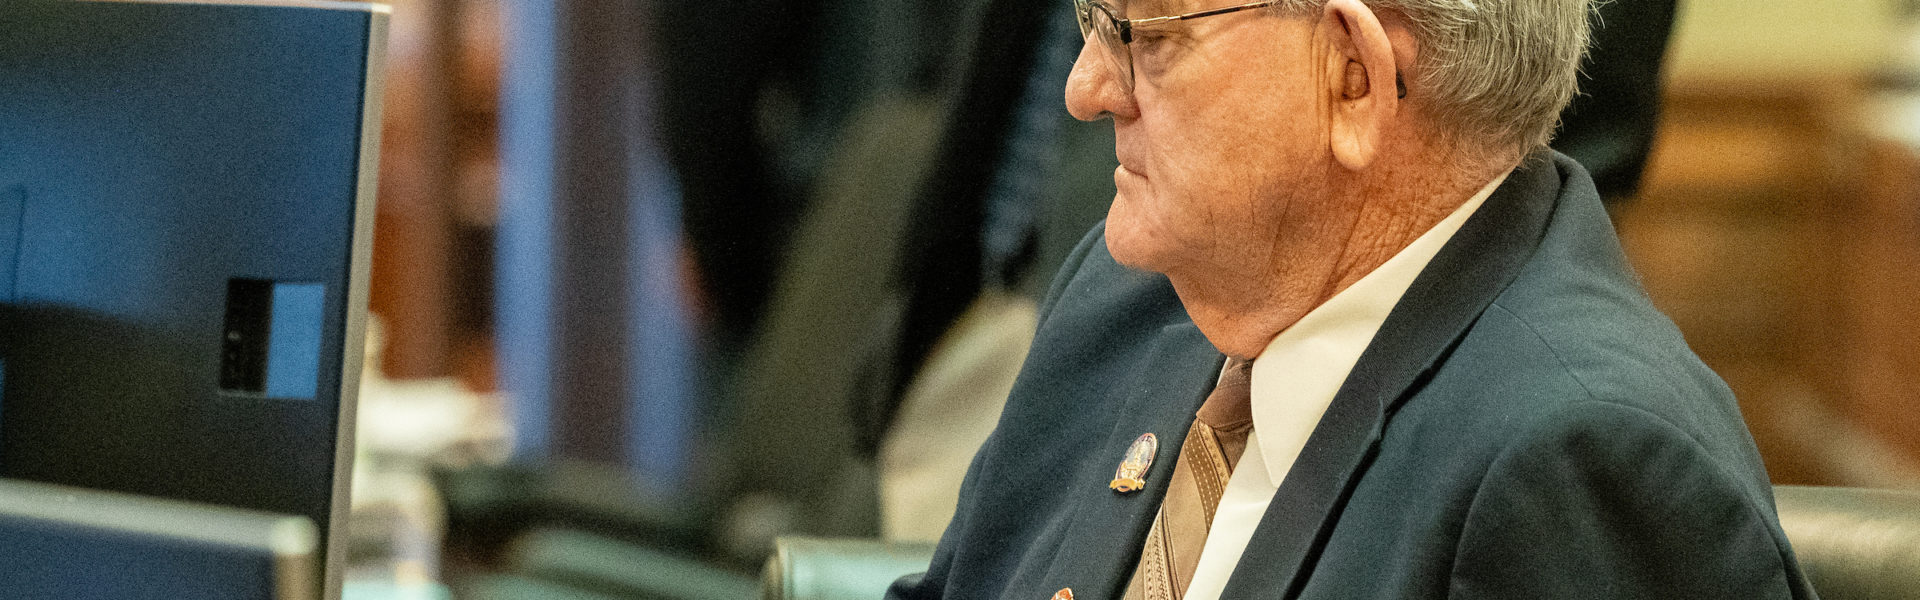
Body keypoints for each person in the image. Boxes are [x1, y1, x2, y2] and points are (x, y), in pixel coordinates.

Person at [885, 0, 1819, 598]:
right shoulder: (1130, 297)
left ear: (1354, 79)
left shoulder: (1578, 459)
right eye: (1093, 17)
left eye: (1148, 34)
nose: (1086, 89)